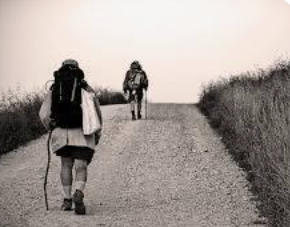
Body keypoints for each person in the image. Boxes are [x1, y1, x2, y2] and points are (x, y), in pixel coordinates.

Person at [39, 59, 102, 215]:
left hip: (61, 132)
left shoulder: (55, 88)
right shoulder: (86, 88)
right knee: (81, 166)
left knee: (66, 165)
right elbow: (96, 113)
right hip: (83, 132)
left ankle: (67, 200)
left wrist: (51, 127)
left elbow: (44, 114)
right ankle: (78, 192)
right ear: (78, 69)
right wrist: (97, 133)